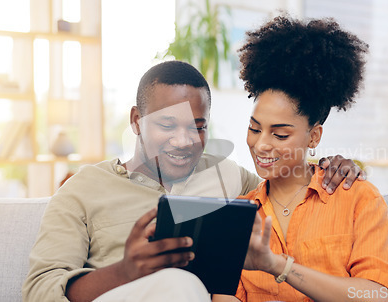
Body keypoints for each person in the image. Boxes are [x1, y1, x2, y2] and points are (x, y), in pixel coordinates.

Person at [22, 60, 364, 302]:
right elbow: (39, 291)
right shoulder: (83, 188)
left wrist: (337, 165)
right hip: (126, 294)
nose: (185, 141)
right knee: (176, 284)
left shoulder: (229, 175)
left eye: (198, 126)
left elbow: (288, 184)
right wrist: (126, 271)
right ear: (136, 121)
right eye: (168, 125)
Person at [213, 16, 388, 302]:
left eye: (280, 135)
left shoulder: (356, 198)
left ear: (314, 137)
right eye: (254, 129)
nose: (261, 145)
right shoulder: (240, 214)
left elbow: (377, 295)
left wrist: (277, 266)